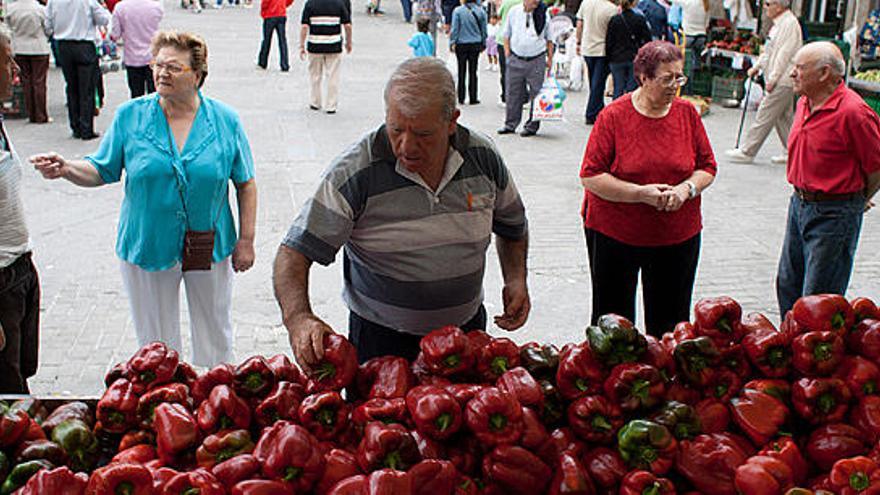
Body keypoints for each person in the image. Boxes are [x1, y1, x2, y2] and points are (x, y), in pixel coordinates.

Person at [273, 57, 529, 366]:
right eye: (396, 129)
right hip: (381, 343)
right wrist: (299, 318)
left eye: (422, 134)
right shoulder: (357, 171)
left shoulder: (483, 158)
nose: (406, 146)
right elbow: (293, 253)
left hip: (465, 337)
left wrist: (516, 278)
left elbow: (512, 224)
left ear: (452, 122)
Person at [31, 31, 258, 367]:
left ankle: (216, 399)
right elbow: (101, 169)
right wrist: (66, 168)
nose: (162, 73)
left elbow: (245, 183)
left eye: (174, 67)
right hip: (147, 242)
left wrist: (247, 240)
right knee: (156, 344)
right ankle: (165, 403)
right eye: (158, 65)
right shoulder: (130, 116)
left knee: (215, 333)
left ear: (198, 75)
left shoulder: (225, 120)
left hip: (209, 244)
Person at [580, 41, 716, 337]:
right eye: (666, 79)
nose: (675, 86)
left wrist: (686, 190)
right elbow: (591, 175)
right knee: (613, 319)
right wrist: (641, 194)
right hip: (616, 232)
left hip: (676, 234)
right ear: (643, 77)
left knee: (671, 320)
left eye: (679, 77)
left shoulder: (687, 114)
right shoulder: (614, 116)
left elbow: (707, 166)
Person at [776, 42, 880, 317]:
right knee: (788, 284)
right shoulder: (803, 103)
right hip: (799, 204)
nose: (792, 74)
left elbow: (876, 165)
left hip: (834, 212)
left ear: (824, 73)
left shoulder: (853, 113)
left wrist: (858, 199)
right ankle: (790, 348)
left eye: (800, 68)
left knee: (818, 297)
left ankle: (812, 354)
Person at [0, 25, 40, 394]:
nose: (15, 70)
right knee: (9, 390)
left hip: (18, 269)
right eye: (7, 60)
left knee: (20, 371)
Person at [724, 0, 801, 165]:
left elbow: (784, 55)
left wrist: (773, 79)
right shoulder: (778, 25)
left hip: (782, 79)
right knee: (784, 118)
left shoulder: (790, 24)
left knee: (764, 114)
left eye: (767, 4)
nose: (764, 8)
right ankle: (792, 151)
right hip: (779, 78)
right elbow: (769, 51)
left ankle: (748, 151)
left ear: (779, 6)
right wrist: (757, 66)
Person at [46, 0, 110, 140]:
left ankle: (75, 125)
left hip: (63, 45)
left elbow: (48, 25)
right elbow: (103, 19)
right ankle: (86, 127)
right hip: (84, 44)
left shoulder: (53, 2)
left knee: (71, 86)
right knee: (86, 89)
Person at [497, 0, 552, 137]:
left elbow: (550, 38)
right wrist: (508, 54)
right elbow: (506, 34)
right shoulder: (514, 12)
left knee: (536, 93)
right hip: (516, 58)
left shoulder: (543, 13)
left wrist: (549, 58)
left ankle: (532, 125)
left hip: (537, 58)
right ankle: (510, 123)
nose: (536, 2)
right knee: (513, 93)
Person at [300, 0, 352, 114]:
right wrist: (349, 42)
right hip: (333, 44)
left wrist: (301, 45)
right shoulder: (339, 3)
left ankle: (315, 102)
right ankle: (331, 105)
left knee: (315, 75)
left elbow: (304, 26)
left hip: (314, 45)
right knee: (333, 76)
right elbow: (347, 25)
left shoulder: (310, 3)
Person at [5, 0, 51, 123]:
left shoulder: (11, 9)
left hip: (19, 47)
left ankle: (31, 113)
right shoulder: (40, 9)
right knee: (39, 82)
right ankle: (41, 115)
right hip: (39, 47)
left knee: (26, 81)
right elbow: (48, 28)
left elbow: (7, 29)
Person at [110, 0, 164, 99]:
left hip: (132, 58)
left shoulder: (121, 7)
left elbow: (115, 34)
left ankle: (138, 114)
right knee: (154, 95)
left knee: (136, 95)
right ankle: (153, 114)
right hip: (152, 57)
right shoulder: (156, 7)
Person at [575, 0, 616, 124]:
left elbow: (579, 24)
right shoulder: (611, 9)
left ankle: (598, 108)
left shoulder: (586, 3)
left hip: (587, 48)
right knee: (598, 83)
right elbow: (612, 31)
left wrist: (578, 41)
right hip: (602, 50)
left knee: (593, 80)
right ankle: (591, 113)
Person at [606, 0, 652, 99]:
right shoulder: (639, 19)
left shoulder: (615, 20)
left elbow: (609, 41)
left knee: (618, 87)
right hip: (634, 57)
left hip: (616, 58)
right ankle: (630, 109)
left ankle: (616, 111)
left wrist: (609, 58)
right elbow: (648, 40)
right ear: (634, 3)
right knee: (632, 88)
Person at [450, 0, 488, 105]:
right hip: (475, 43)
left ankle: (461, 97)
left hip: (461, 44)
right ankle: (473, 97)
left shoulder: (457, 11)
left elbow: (455, 29)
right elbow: (484, 30)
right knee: (473, 71)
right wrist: (483, 43)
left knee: (461, 71)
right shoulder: (481, 11)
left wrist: (452, 42)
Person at [673, 0, 708, 92]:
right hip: (701, 37)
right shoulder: (705, 5)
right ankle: (693, 89)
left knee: (683, 64)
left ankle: (683, 88)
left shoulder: (688, 2)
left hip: (688, 36)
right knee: (695, 63)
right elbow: (707, 23)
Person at [494, 0, 522, 104]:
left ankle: (505, 96)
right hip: (518, 39)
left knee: (504, 70)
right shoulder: (524, 3)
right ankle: (520, 97)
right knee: (520, 70)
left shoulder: (506, 2)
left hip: (502, 39)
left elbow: (498, 15)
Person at [257, 0, 294, 71]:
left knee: (266, 40)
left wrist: (263, 11)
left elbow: (265, 2)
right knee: (282, 41)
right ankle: (285, 64)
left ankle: (263, 62)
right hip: (281, 14)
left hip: (270, 14)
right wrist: (283, 5)